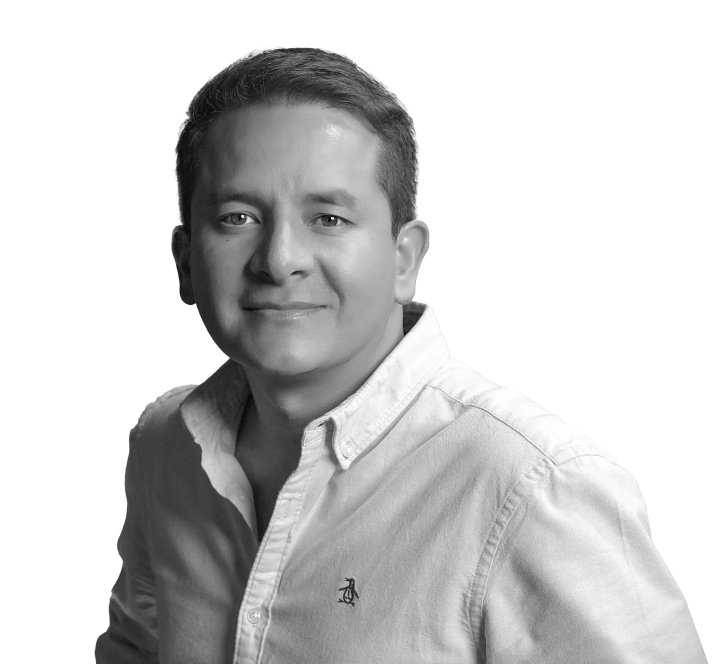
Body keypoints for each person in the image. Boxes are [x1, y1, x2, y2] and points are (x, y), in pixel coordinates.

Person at [96, 48, 706, 663]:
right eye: (238, 217)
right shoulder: (166, 448)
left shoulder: (535, 487)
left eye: (328, 218)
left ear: (404, 259)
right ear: (185, 262)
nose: (280, 260)